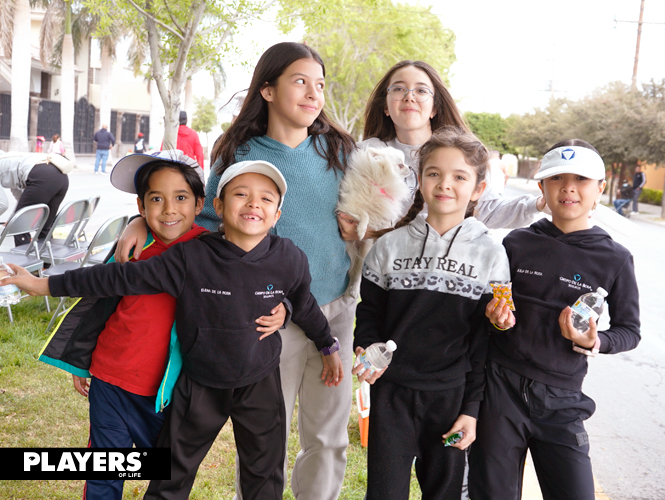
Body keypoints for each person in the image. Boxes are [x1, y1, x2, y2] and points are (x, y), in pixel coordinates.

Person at [6, 160, 343, 500]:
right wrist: (43, 284)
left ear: (277, 215)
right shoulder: (189, 256)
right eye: (241, 194)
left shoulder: (289, 257)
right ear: (218, 206)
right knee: (165, 475)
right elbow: (113, 279)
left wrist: (326, 345)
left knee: (264, 476)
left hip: (258, 381)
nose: (254, 204)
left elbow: (302, 301)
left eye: (266, 199)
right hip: (196, 383)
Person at [114, 42, 357, 500]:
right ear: (267, 89)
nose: (313, 93)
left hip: (334, 309)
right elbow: (201, 218)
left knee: (328, 437)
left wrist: (362, 225)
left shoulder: (339, 151)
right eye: (300, 81)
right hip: (266, 316)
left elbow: (379, 210)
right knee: (266, 440)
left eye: (320, 84)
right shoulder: (238, 150)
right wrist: (139, 221)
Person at [468, 139, 641, 500]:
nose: (568, 188)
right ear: (541, 188)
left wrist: (594, 341)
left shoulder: (615, 258)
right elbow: (488, 303)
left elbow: (629, 331)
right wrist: (495, 315)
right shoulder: (516, 243)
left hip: (562, 400)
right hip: (500, 392)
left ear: (600, 189)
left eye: (581, 179)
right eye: (557, 178)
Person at [353, 128, 511, 500]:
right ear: (420, 180)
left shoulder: (491, 253)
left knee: (445, 493)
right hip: (391, 395)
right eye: (434, 173)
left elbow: (484, 342)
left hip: (451, 402)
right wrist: (366, 348)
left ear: (478, 189)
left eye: (460, 176)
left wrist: (471, 410)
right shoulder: (387, 247)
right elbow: (369, 315)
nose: (445, 184)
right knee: (384, 492)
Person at [355, 60, 546, 229]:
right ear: (386, 107)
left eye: (421, 90)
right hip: (385, 265)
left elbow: (488, 211)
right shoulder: (368, 154)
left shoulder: (462, 155)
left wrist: (537, 204)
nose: (409, 97)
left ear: (434, 108)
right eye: (398, 89)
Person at [0, 150, 71, 244]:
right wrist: (12, 218)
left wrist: (14, 219)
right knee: (45, 226)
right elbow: (21, 197)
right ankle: (45, 256)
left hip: (42, 175)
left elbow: (3, 204)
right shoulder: (10, 159)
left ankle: (23, 257)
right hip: (61, 177)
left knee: (19, 227)